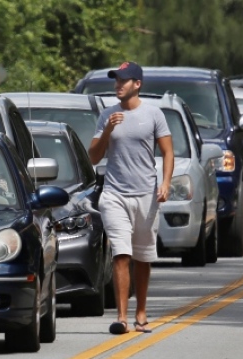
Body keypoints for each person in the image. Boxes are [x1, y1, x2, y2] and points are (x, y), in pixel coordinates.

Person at [88, 62, 174, 335]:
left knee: (143, 257)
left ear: (137, 84)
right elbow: (93, 156)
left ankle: (141, 313)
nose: (118, 85)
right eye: (116, 80)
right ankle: (122, 318)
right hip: (114, 194)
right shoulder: (107, 115)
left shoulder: (154, 114)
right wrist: (109, 131)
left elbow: (167, 152)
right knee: (121, 254)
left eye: (123, 80)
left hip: (146, 195)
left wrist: (166, 183)